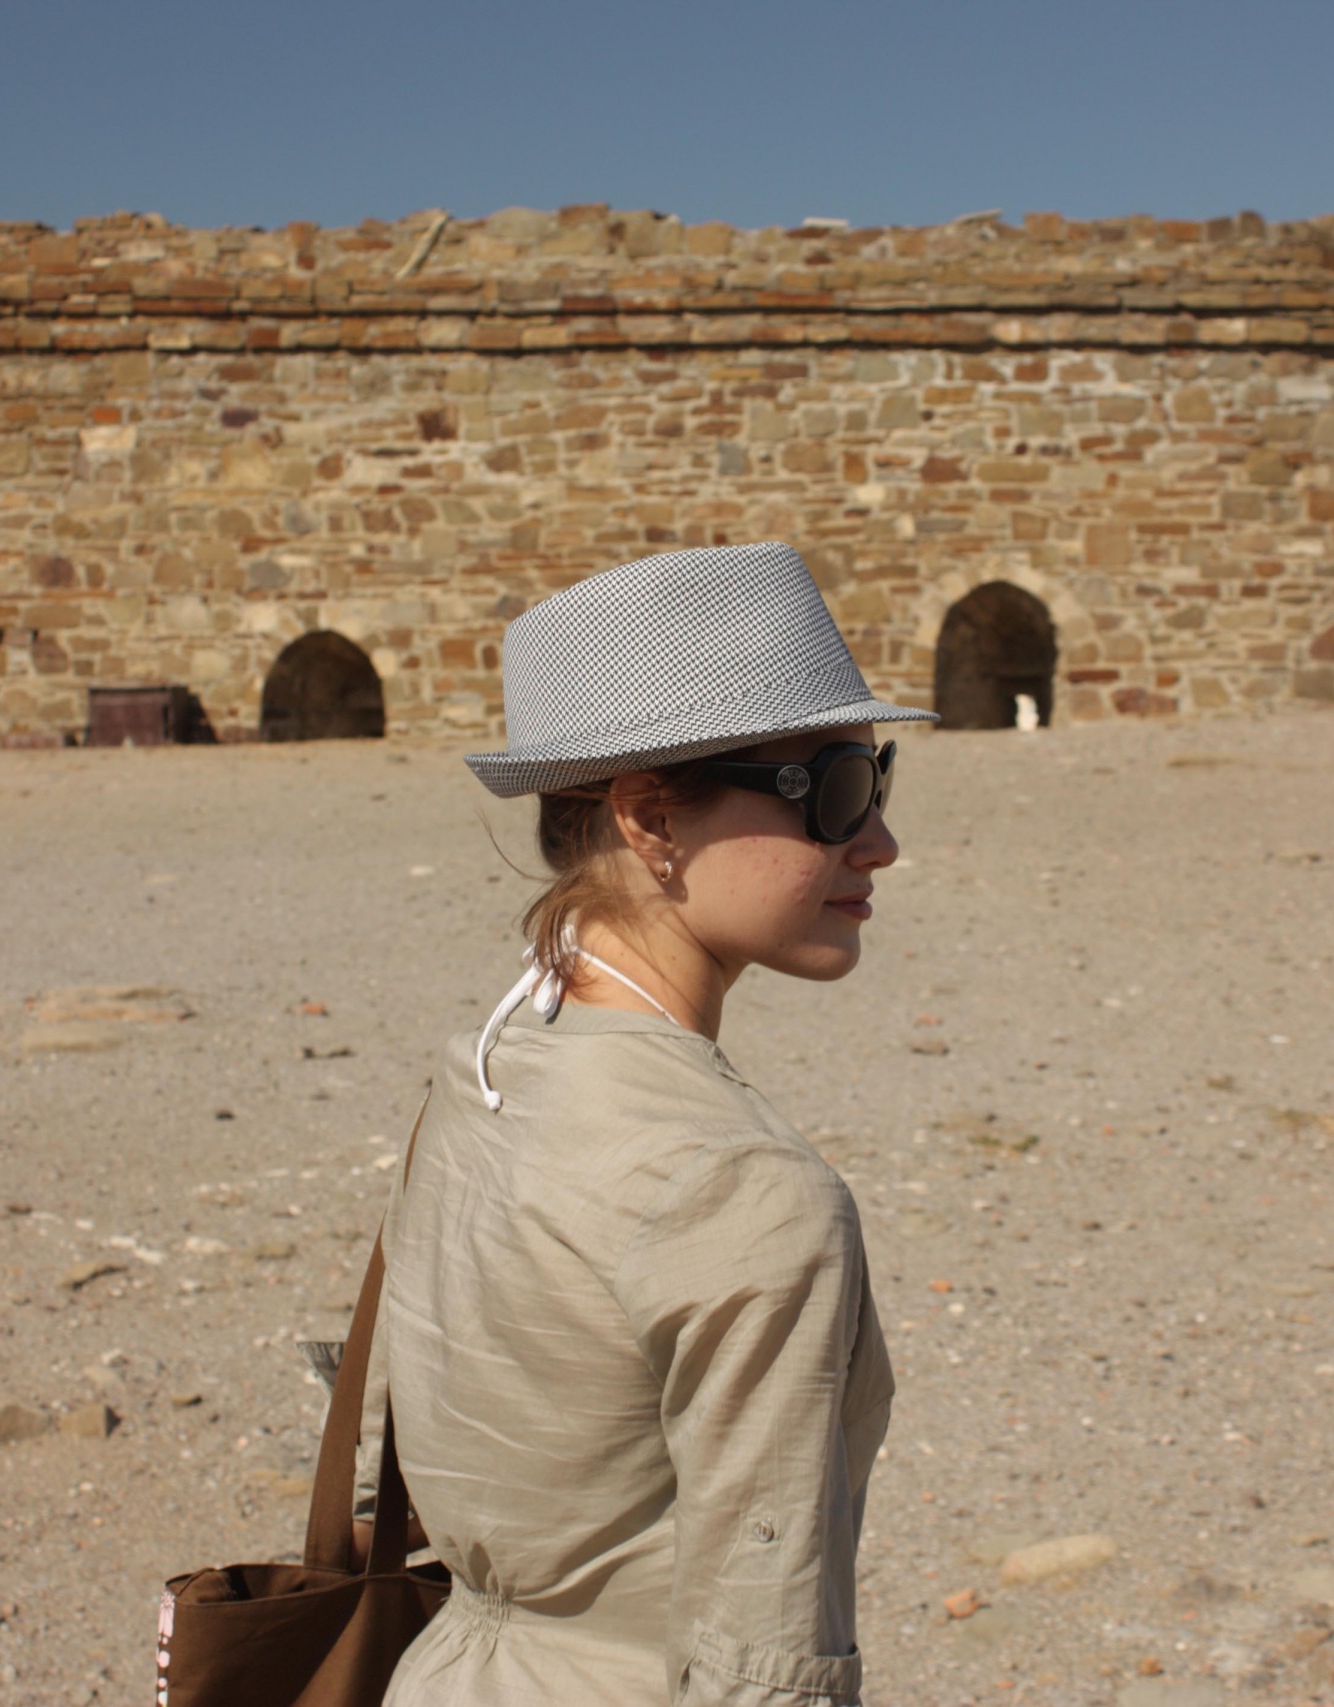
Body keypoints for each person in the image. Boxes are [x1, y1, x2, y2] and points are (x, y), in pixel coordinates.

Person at [372, 542, 931, 1705]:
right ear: (649, 819)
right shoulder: (743, 1191)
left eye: (876, 779)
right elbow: (762, 1669)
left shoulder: (485, 1073)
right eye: (835, 788)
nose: (879, 841)